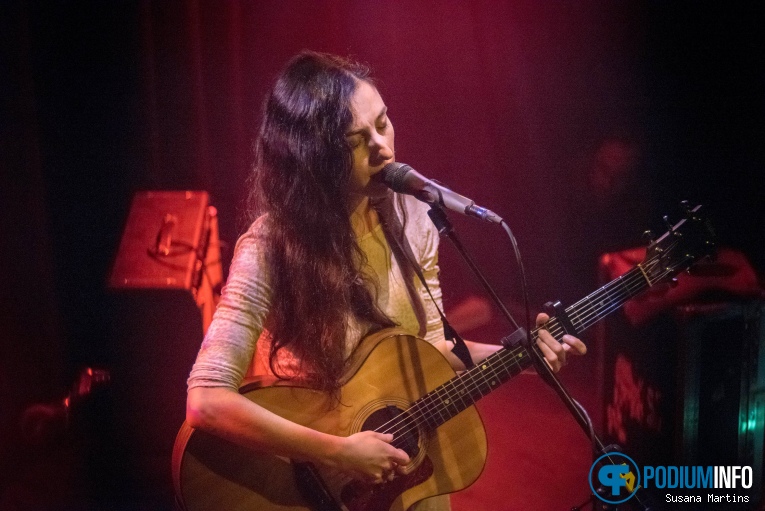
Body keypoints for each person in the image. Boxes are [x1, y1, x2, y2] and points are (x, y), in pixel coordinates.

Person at [185, 50, 586, 510]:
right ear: (313, 158)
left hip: (405, 476)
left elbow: (429, 351)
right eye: (357, 140)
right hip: (314, 482)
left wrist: (521, 357)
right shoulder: (271, 247)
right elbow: (206, 401)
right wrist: (337, 451)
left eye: (383, 122)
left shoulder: (415, 220)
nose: (383, 147)